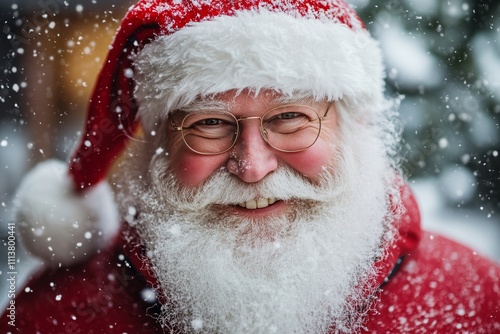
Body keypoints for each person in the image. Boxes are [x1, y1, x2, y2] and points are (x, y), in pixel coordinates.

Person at [3, 0, 499, 333]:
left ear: (353, 130)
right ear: (156, 144)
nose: (252, 167)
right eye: (210, 124)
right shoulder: (54, 317)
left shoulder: (475, 300)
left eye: (290, 118)